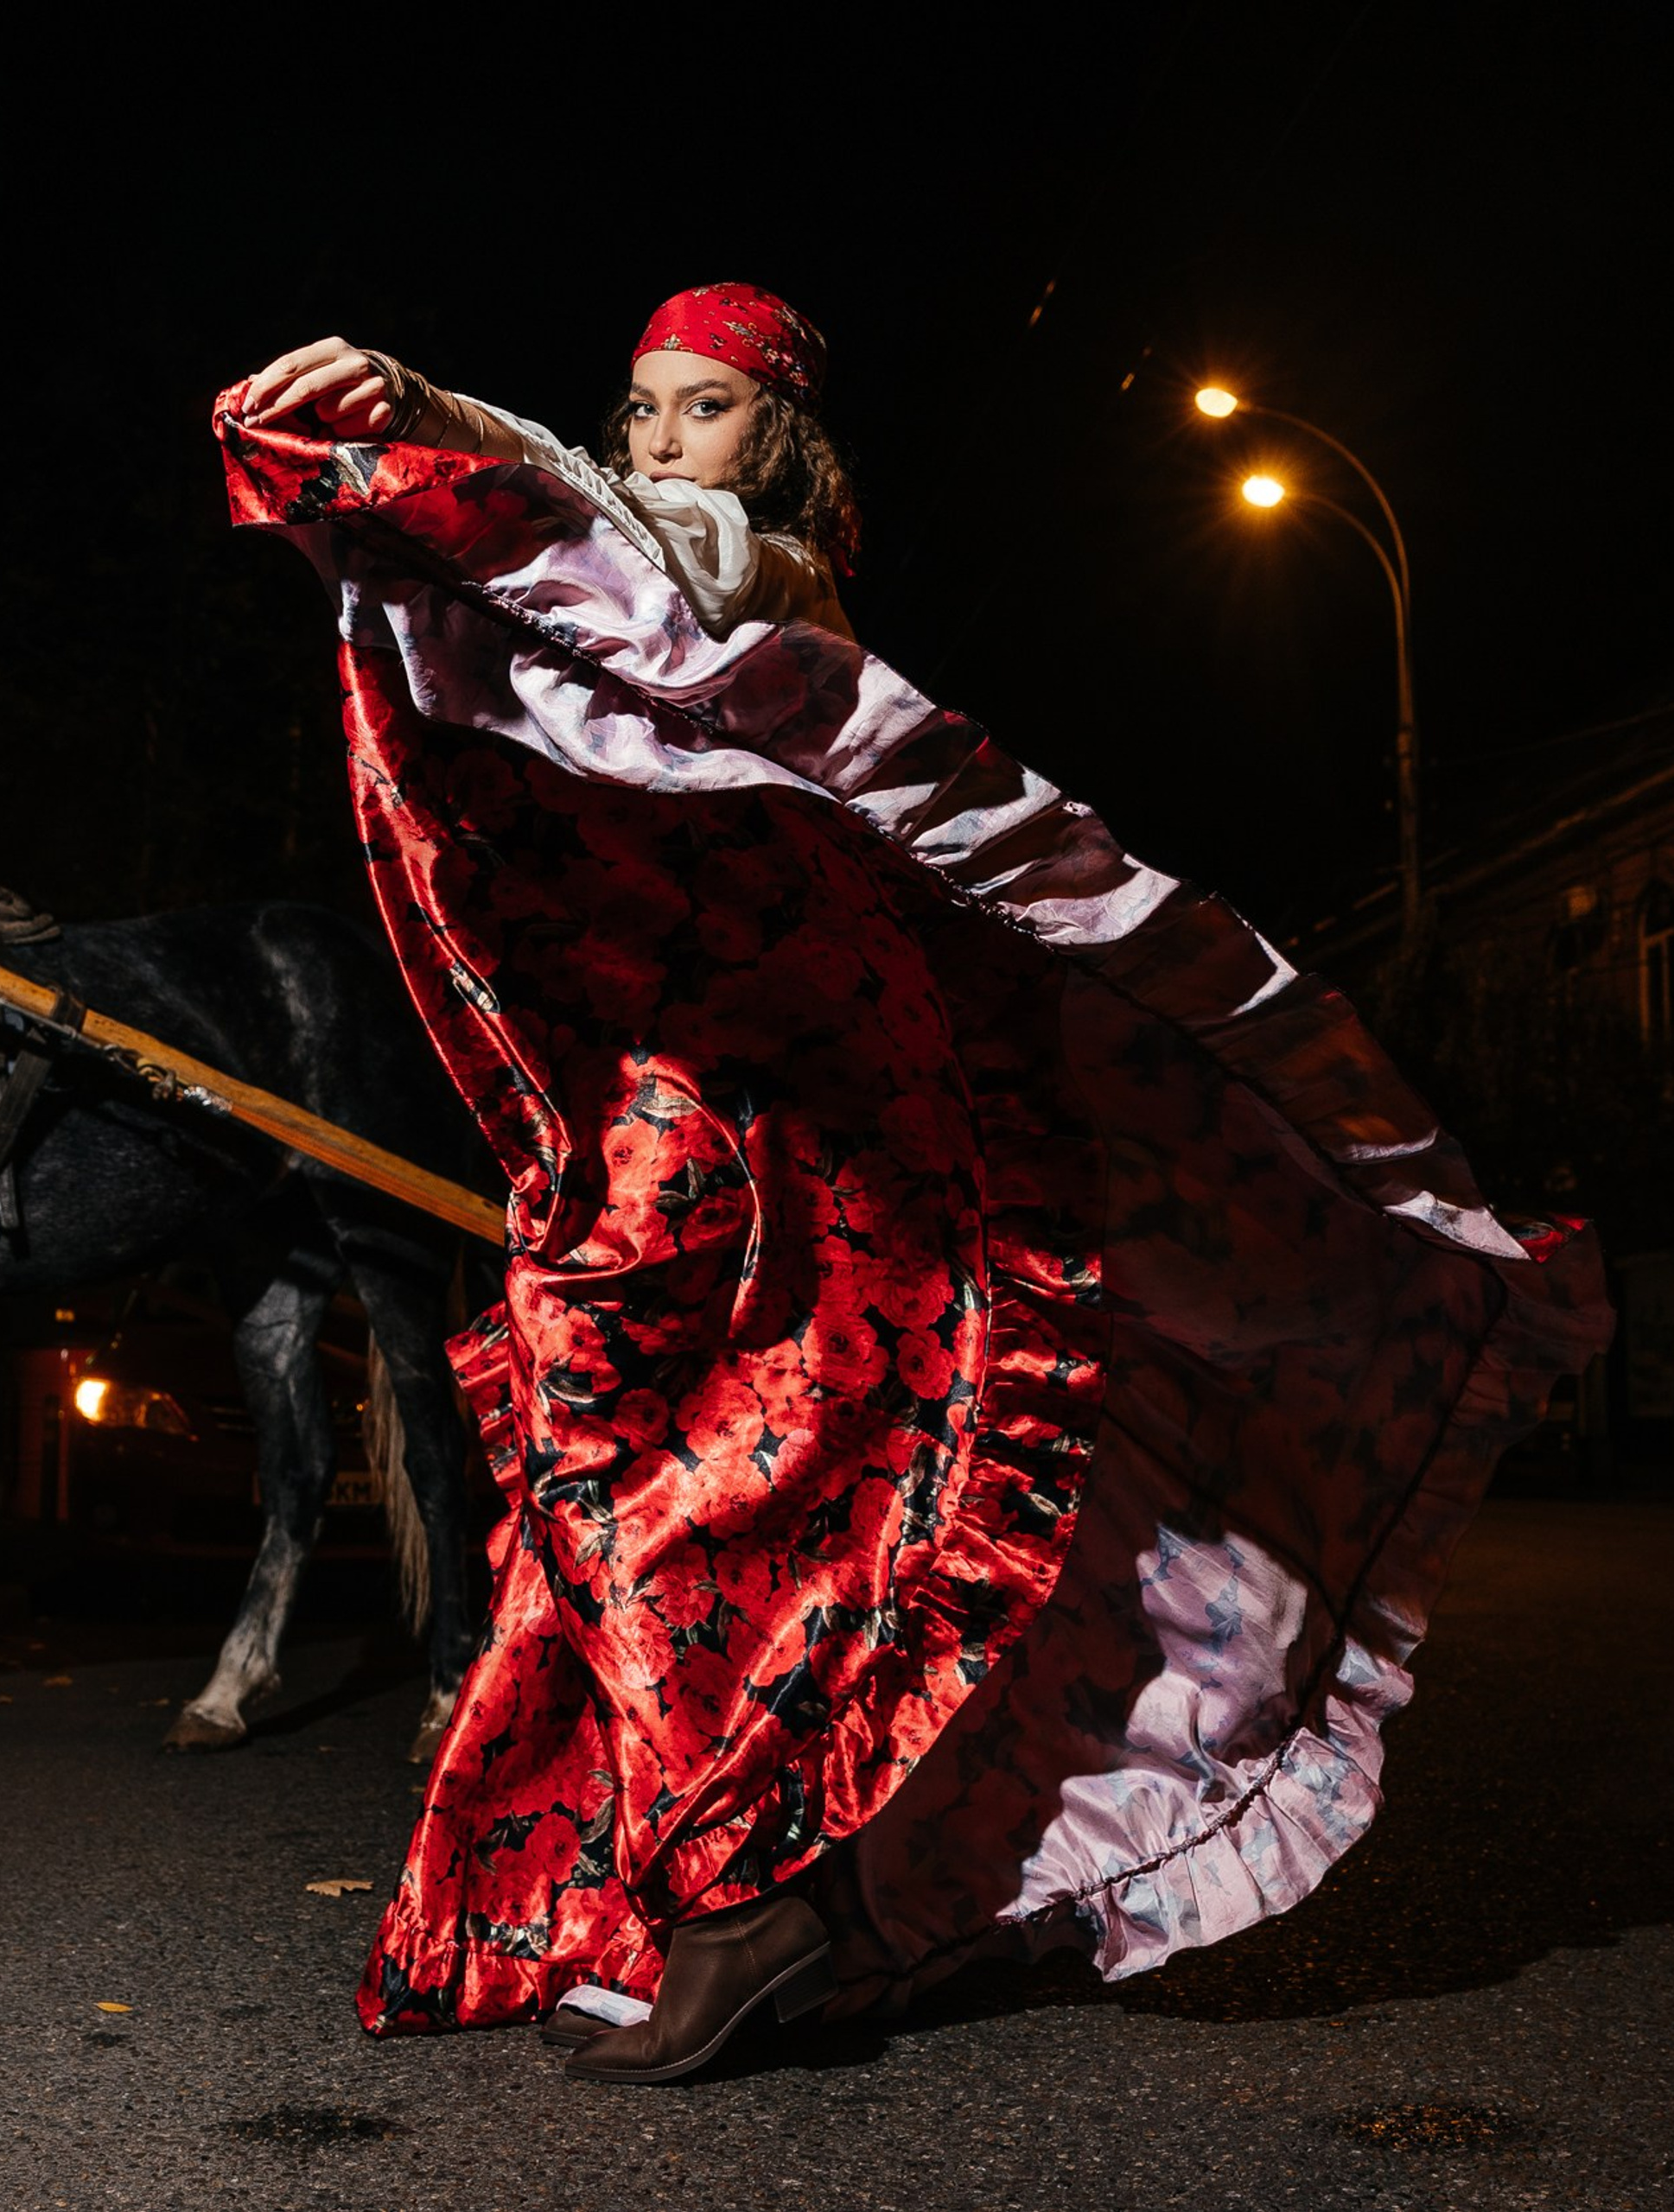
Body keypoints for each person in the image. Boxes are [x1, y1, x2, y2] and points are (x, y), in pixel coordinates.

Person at [223, 287, 1610, 2086]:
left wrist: (429, 407)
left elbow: (606, 527)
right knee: (632, 1453)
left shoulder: (756, 577)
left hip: (814, 1118)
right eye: (641, 405)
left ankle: (756, 1901)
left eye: (701, 406)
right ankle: (743, 1892)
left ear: (774, 437)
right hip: (692, 1097)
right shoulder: (638, 595)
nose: (658, 437)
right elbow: (562, 550)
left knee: (706, 1483)